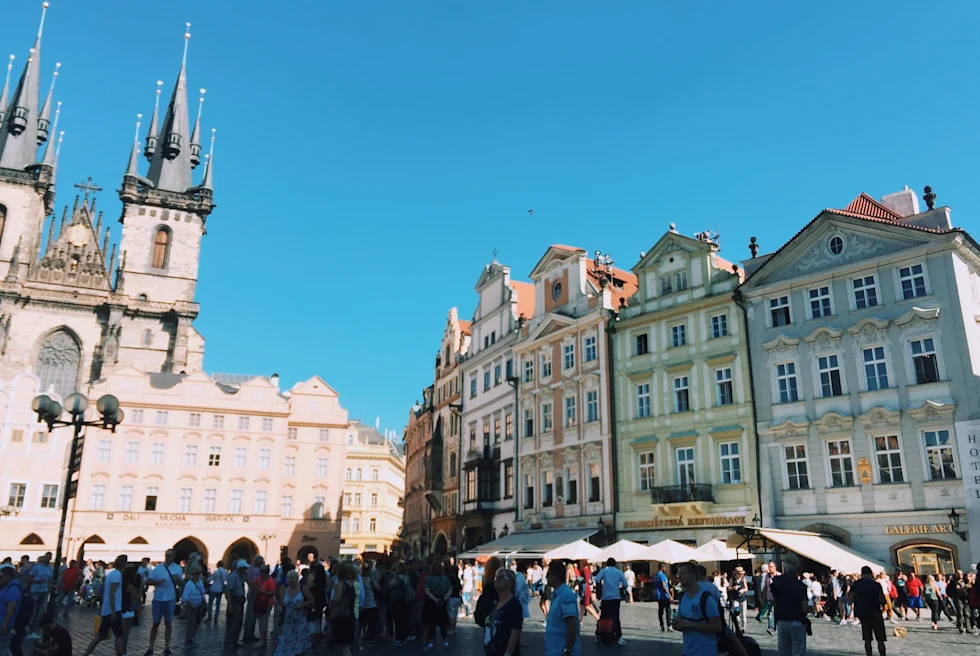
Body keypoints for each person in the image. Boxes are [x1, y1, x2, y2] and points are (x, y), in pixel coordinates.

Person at [671, 561, 722, 656]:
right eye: (678, 574)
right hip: (687, 651)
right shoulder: (683, 598)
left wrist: (688, 625)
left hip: (705, 651)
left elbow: (717, 627)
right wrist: (679, 625)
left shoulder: (706, 598)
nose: (679, 577)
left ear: (693, 575)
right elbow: (683, 623)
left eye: (683, 574)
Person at [81, 554, 127, 656]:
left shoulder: (111, 574)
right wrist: (114, 611)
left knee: (100, 635)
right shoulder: (117, 575)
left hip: (106, 609)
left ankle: (86, 654)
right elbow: (112, 593)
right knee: (119, 635)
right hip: (113, 609)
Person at [143, 549, 182, 656]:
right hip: (158, 599)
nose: (167, 557)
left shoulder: (177, 569)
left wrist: (178, 579)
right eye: (166, 555)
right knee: (155, 623)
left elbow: (181, 583)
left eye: (170, 555)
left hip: (170, 598)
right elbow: (148, 580)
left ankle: (167, 647)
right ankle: (150, 647)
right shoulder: (158, 568)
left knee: (168, 623)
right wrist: (157, 582)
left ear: (173, 556)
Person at [770, 563, 809, 656]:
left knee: (783, 651)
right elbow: (804, 608)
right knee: (797, 651)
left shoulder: (777, 582)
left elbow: (771, 598)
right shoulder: (800, 585)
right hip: (797, 621)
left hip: (781, 620)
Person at [484, 568, 523, 656]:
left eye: (501, 577)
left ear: (510, 583)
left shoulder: (513, 604)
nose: (496, 579)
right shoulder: (496, 604)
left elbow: (515, 632)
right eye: (496, 577)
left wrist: (507, 654)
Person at [544, 561, 580, 656]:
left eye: (548, 574)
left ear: (556, 576)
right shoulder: (557, 595)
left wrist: (567, 650)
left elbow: (572, 624)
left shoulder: (566, 595)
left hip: (561, 651)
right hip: (554, 650)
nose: (546, 577)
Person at [849, 566, 886, 656]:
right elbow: (883, 600)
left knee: (867, 639)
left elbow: (851, 599)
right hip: (875, 611)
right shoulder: (876, 585)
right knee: (880, 639)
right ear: (870, 574)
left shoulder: (857, 584)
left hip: (863, 613)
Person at [275, 569, 313, 656]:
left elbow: (312, 600)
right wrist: (280, 607)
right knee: (286, 644)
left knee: (300, 645)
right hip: (288, 622)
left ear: (297, 579)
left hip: (300, 621)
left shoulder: (303, 588)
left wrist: (302, 604)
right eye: (289, 578)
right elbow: (281, 603)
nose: (291, 581)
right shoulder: (285, 590)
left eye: (293, 578)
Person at [593, 557, 628, 645]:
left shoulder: (604, 571)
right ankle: (619, 636)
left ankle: (598, 634)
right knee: (616, 617)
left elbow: (597, 579)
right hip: (616, 597)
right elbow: (625, 584)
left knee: (603, 616)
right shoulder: (619, 572)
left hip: (606, 597)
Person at [422, 561, 451, 650]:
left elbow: (426, 591)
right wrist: (444, 599)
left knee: (431, 623)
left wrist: (435, 599)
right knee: (442, 624)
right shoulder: (445, 579)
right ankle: (445, 642)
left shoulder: (429, 578)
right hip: (442, 603)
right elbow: (450, 590)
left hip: (431, 603)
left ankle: (430, 642)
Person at [329, 563, 357, 656]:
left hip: (341, 616)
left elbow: (336, 599)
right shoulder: (351, 584)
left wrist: (330, 602)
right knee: (346, 645)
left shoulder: (340, 584)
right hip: (350, 615)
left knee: (343, 646)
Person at [25, 553, 53, 638]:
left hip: (43, 592)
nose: (48, 559)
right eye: (47, 557)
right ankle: (24, 627)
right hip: (35, 590)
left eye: (50, 557)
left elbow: (50, 580)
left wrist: (49, 590)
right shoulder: (36, 567)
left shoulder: (50, 568)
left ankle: (32, 631)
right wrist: (37, 581)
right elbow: (29, 578)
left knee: (39, 612)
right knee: (31, 611)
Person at [0, 563, 24, 656]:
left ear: (8, 576)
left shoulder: (13, 587)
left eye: (1, 577)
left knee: (2, 647)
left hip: (4, 624)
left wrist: (4, 624)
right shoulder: (6, 587)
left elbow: (11, 605)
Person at [224, 560, 248, 649]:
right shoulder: (233, 576)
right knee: (232, 622)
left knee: (238, 622)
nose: (245, 570)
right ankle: (229, 641)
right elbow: (228, 591)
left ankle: (235, 641)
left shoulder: (240, 576)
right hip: (235, 601)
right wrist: (230, 604)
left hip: (240, 601)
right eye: (244, 568)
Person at [181, 566, 206, 647]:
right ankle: (188, 639)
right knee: (190, 623)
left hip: (198, 606)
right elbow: (185, 597)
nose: (197, 575)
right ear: (192, 575)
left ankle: (191, 637)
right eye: (195, 574)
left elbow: (202, 592)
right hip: (190, 607)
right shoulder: (189, 584)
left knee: (196, 623)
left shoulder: (200, 582)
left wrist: (203, 601)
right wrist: (191, 604)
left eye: (198, 574)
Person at [253, 565, 277, 648]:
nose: (260, 573)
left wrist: (263, 592)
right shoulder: (260, 578)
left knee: (263, 621)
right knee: (261, 621)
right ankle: (263, 640)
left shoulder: (270, 580)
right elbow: (254, 584)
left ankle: (262, 640)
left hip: (267, 603)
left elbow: (273, 592)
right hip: (259, 601)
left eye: (262, 571)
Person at [206, 560, 228, 624]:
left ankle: (209, 617)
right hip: (220, 590)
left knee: (210, 603)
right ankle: (216, 618)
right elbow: (226, 580)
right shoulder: (225, 572)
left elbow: (209, 579)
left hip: (213, 589)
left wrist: (208, 576)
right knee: (218, 604)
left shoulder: (216, 571)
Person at [653, 563, 672, 632]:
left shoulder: (656, 575)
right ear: (662, 567)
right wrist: (669, 595)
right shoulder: (662, 575)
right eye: (665, 567)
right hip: (664, 595)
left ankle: (662, 625)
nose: (666, 569)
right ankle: (669, 626)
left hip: (659, 596)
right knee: (668, 610)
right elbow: (664, 585)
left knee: (660, 611)